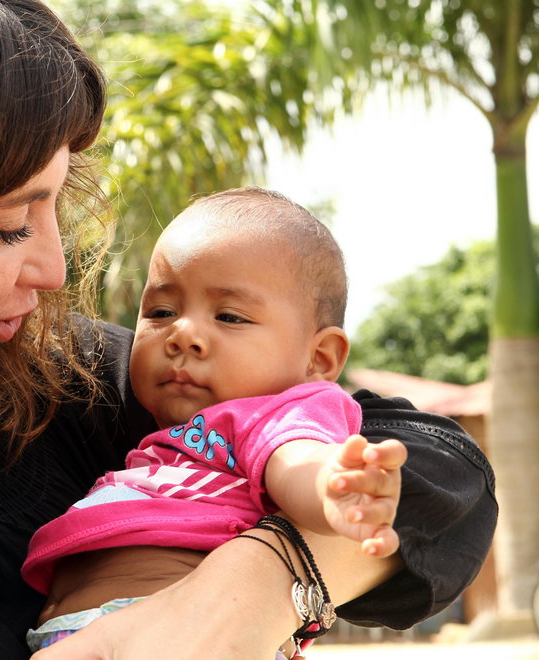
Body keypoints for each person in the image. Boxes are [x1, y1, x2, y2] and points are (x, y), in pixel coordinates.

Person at [0, 1, 496, 659]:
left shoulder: (63, 384)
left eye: (53, 206)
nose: (51, 267)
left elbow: (441, 474)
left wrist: (256, 587)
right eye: (10, 227)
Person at [22, 187, 408, 656]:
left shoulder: (274, 413)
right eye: (161, 312)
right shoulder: (169, 436)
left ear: (320, 358)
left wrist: (334, 487)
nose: (183, 334)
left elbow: (296, 458)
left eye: (229, 316)